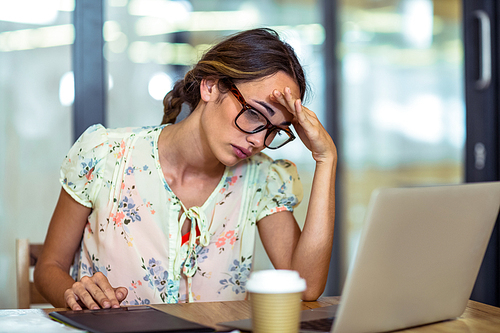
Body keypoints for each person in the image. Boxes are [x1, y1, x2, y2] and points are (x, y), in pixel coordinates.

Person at [34, 28, 337, 310]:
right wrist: (75, 291)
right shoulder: (105, 154)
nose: (259, 139)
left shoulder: (263, 179)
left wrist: (326, 159)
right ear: (211, 87)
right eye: (254, 114)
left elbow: (307, 288)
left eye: (274, 130)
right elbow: (50, 268)